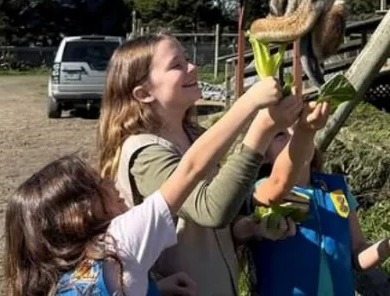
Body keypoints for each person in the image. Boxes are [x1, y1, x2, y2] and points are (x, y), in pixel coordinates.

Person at [3, 72, 294, 296]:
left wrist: (158, 288)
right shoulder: (121, 240)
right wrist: (253, 113)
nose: (110, 180)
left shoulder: (73, 273)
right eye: (97, 183)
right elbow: (190, 169)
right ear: (81, 211)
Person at [97, 32, 299, 295]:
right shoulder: (143, 155)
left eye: (188, 59)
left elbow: (208, 229)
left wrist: (249, 228)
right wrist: (258, 123)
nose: (193, 67)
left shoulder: (197, 137)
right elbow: (211, 210)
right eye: (176, 65)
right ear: (144, 93)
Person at [247, 100, 390, 295]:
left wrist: (389, 246)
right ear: (264, 154)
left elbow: (358, 255)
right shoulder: (264, 193)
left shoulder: (336, 189)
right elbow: (278, 185)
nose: (296, 137)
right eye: (280, 135)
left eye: (299, 128)